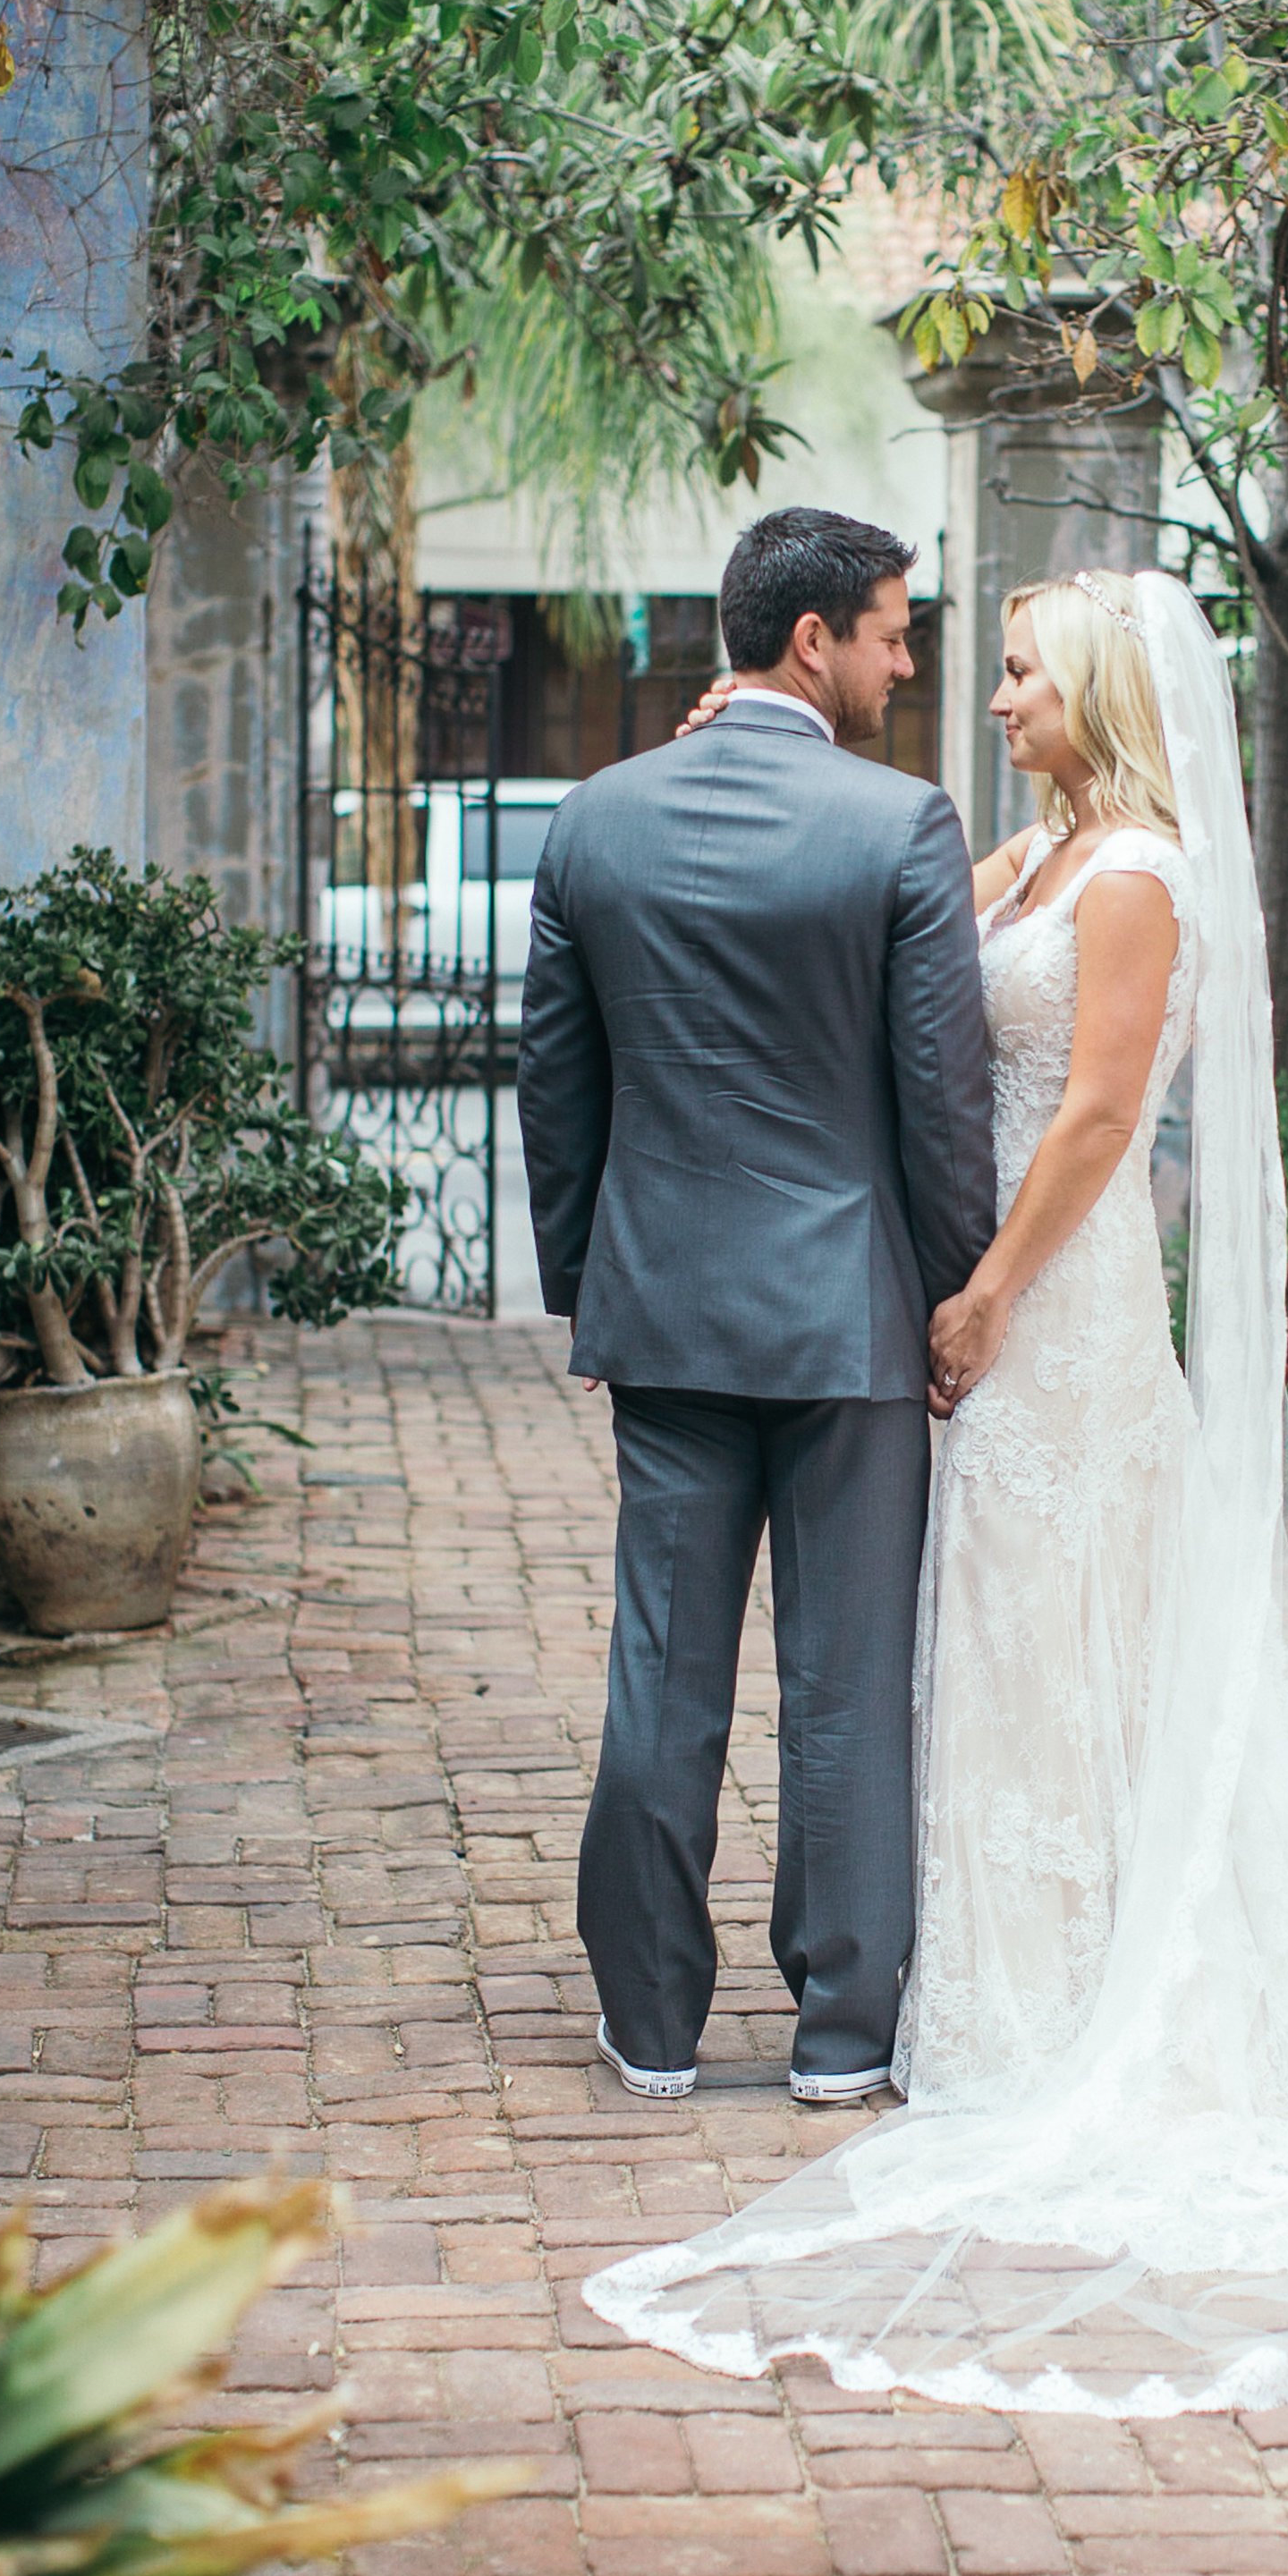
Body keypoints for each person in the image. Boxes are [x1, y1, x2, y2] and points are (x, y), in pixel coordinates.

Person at [583, 565, 1288, 2418]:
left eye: (1023, 673)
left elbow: (1097, 1117)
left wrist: (976, 1290)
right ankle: (980, 1973)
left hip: (1058, 1298)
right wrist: (727, 783)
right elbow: (861, 917)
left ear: (1102, 690)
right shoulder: (1034, 863)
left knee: (1063, 1616)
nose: (992, 695)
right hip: (986, 1300)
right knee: (990, 1624)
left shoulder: (1133, 880)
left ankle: (1070, 1997)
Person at [516, 506, 996, 2108]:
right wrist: (957, 1298)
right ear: (813, 642)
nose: (905, 661)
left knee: (663, 1669)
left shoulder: (594, 822)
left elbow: (555, 1089)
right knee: (848, 1682)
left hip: (663, 1315)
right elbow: (943, 1105)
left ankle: (649, 2021)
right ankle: (843, 2034)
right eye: (890, 631)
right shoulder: (898, 826)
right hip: (851, 1324)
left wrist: (590, 1290)